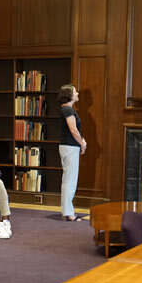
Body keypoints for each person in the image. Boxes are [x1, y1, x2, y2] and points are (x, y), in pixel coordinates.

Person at [58, 84, 86, 221]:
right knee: (70, 181)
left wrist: (82, 141)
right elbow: (73, 130)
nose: (77, 93)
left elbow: (76, 130)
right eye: (75, 91)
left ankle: (67, 211)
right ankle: (69, 214)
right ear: (69, 95)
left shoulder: (67, 109)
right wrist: (82, 144)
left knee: (68, 180)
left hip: (69, 146)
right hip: (70, 147)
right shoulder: (68, 110)